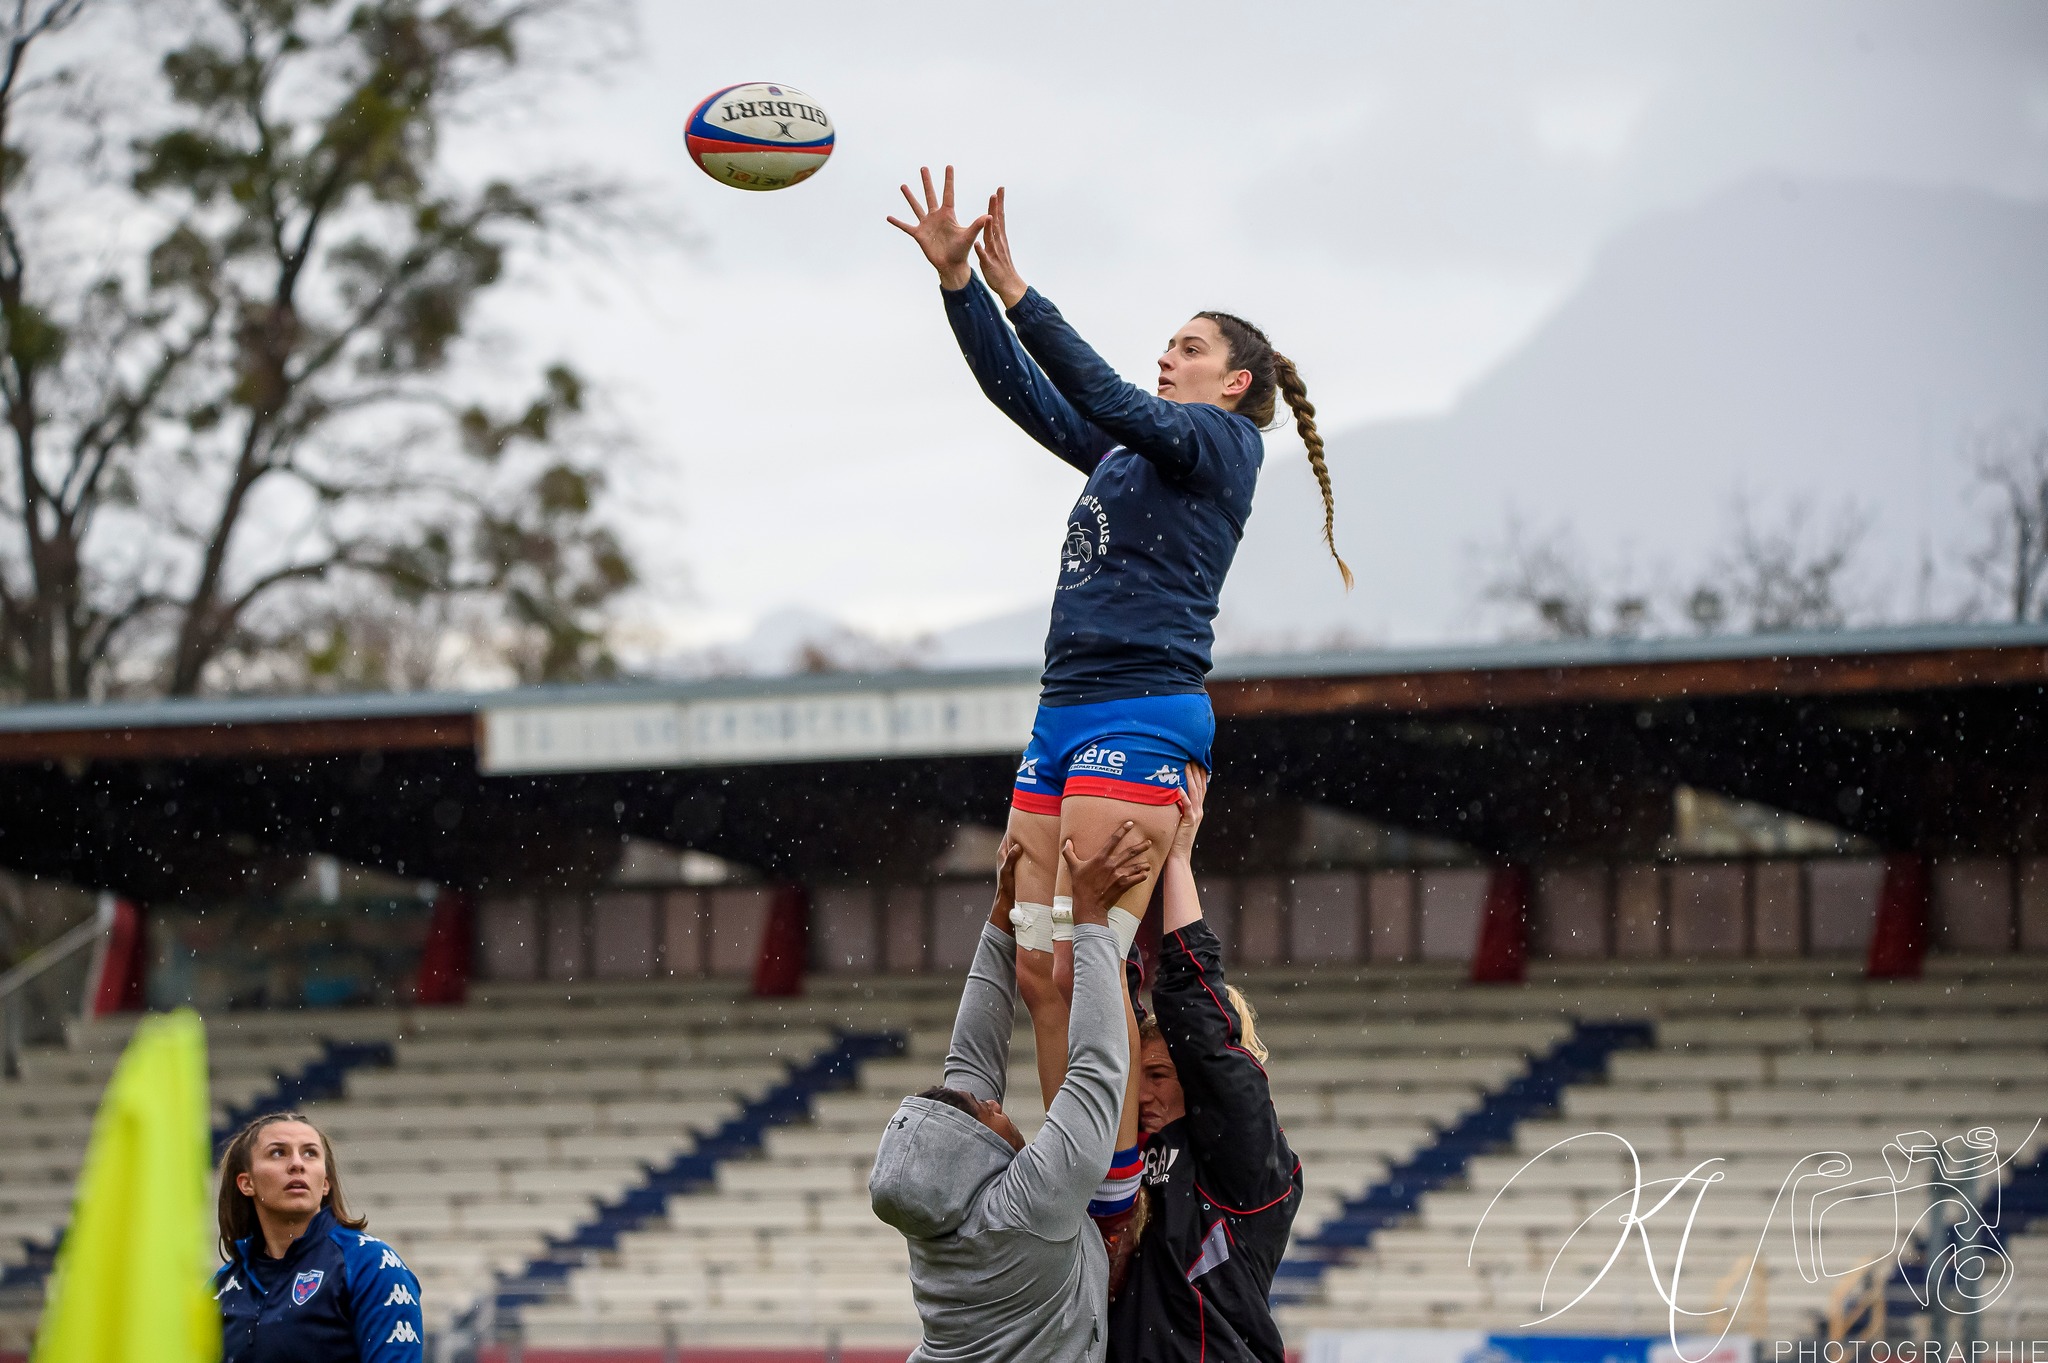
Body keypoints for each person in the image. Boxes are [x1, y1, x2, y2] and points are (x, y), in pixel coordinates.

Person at [888, 166, 1344, 1251]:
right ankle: (1087, 1190)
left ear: (1233, 383)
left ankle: (1117, 1205)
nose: (1167, 356)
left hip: (1141, 716)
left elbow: (1098, 392)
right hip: (1062, 716)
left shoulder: (1223, 444)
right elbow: (1029, 397)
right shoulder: (1135, 449)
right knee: (1039, 965)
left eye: (1188, 347)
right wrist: (959, 287)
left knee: (1094, 956)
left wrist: (1022, 293)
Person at [869, 821, 1154, 1363]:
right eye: (986, 1111)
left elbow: (969, 1060)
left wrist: (1002, 917)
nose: (996, 1103)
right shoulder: (1027, 1211)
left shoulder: (934, 1210)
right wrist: (1091, 920)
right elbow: (1097, 1068)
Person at [1111, 768, 1302, 1363]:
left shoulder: (1248, 1166)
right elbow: (1096, 1023)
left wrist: (1177, 859)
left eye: (1160, 1076)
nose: (1142, 1095)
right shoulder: (1119, 1159)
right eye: (1138, 1078)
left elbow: (1197, 1019)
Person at [213, 1112, 425, 1363]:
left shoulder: (371, 1264)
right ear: (246, 1183)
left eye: (310, 1153)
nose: (297, 1164)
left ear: (325, 1183)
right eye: (278, 1153)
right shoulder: (221, 1288)